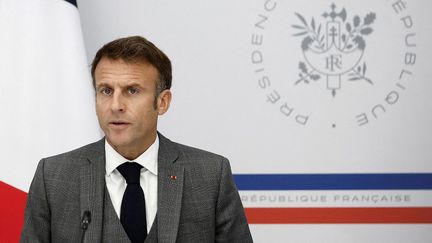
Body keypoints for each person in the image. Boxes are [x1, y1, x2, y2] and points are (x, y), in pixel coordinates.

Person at [20, 36, 253, 243]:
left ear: (162, 102)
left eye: (132, 90)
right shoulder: (52, 177)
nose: (116, 106)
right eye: (106, 90)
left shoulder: (211, 175)